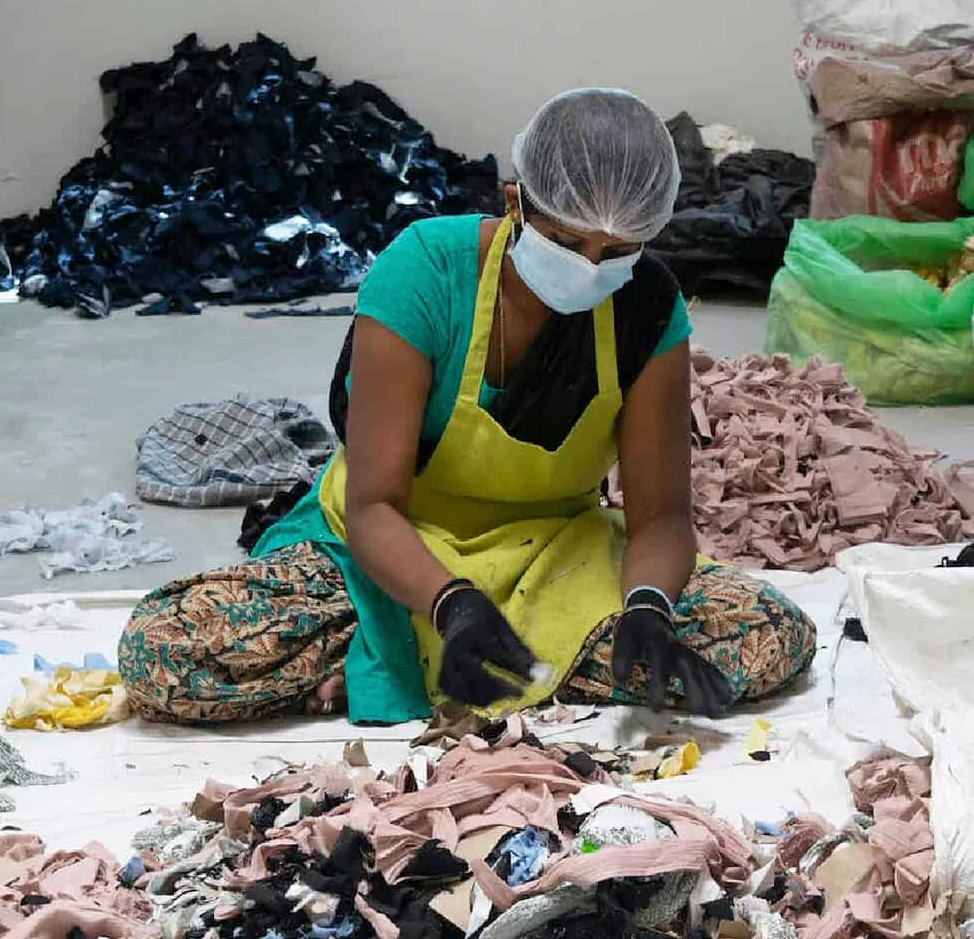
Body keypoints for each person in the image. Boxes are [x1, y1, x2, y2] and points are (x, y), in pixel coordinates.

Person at [119, 89, 816, 725]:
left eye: (618, 249)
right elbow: (374, 506)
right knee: (167, 651)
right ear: (516, 204)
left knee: (766, 635)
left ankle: (404, 666)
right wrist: (451, 605)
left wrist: (649, 610)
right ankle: (473, 653)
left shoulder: (648, 307)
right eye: (567, 241)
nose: (589, 267)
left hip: (553, 553)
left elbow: (660, 517)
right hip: (397, 547)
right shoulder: (426, 271)